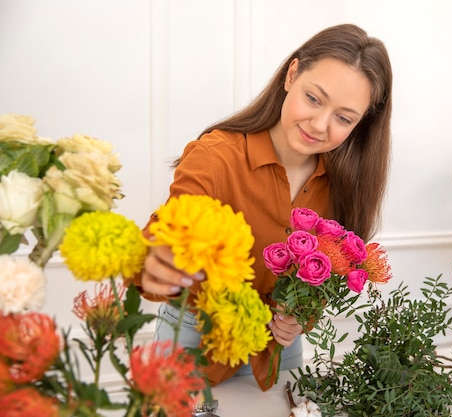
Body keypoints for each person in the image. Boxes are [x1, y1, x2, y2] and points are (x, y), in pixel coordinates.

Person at [127, 23, 393, 391]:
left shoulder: (343, 185)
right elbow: (161, 244)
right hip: (192, 340)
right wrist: (156, 263)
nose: (318, 125)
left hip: (280, 350)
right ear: (292, 74)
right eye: (313, 99)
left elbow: (327, 276)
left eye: (343, 118)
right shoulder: (216, 157)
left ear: (361, 124)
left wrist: (301, 317)